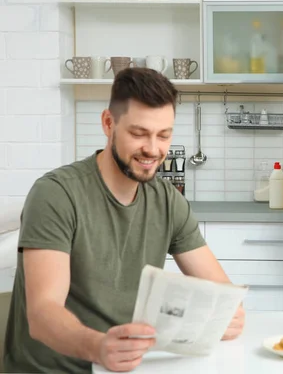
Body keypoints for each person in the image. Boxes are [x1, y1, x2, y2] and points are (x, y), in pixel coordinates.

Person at [3, 68, 245, 373]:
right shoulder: (56, 194)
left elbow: (220, 291)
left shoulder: (168, 201)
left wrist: (227, 314)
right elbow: (42, 314)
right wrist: (98, 348)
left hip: (126, 366)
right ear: (108, 123)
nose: (153, 149)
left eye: (164, 135)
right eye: (138, 133)